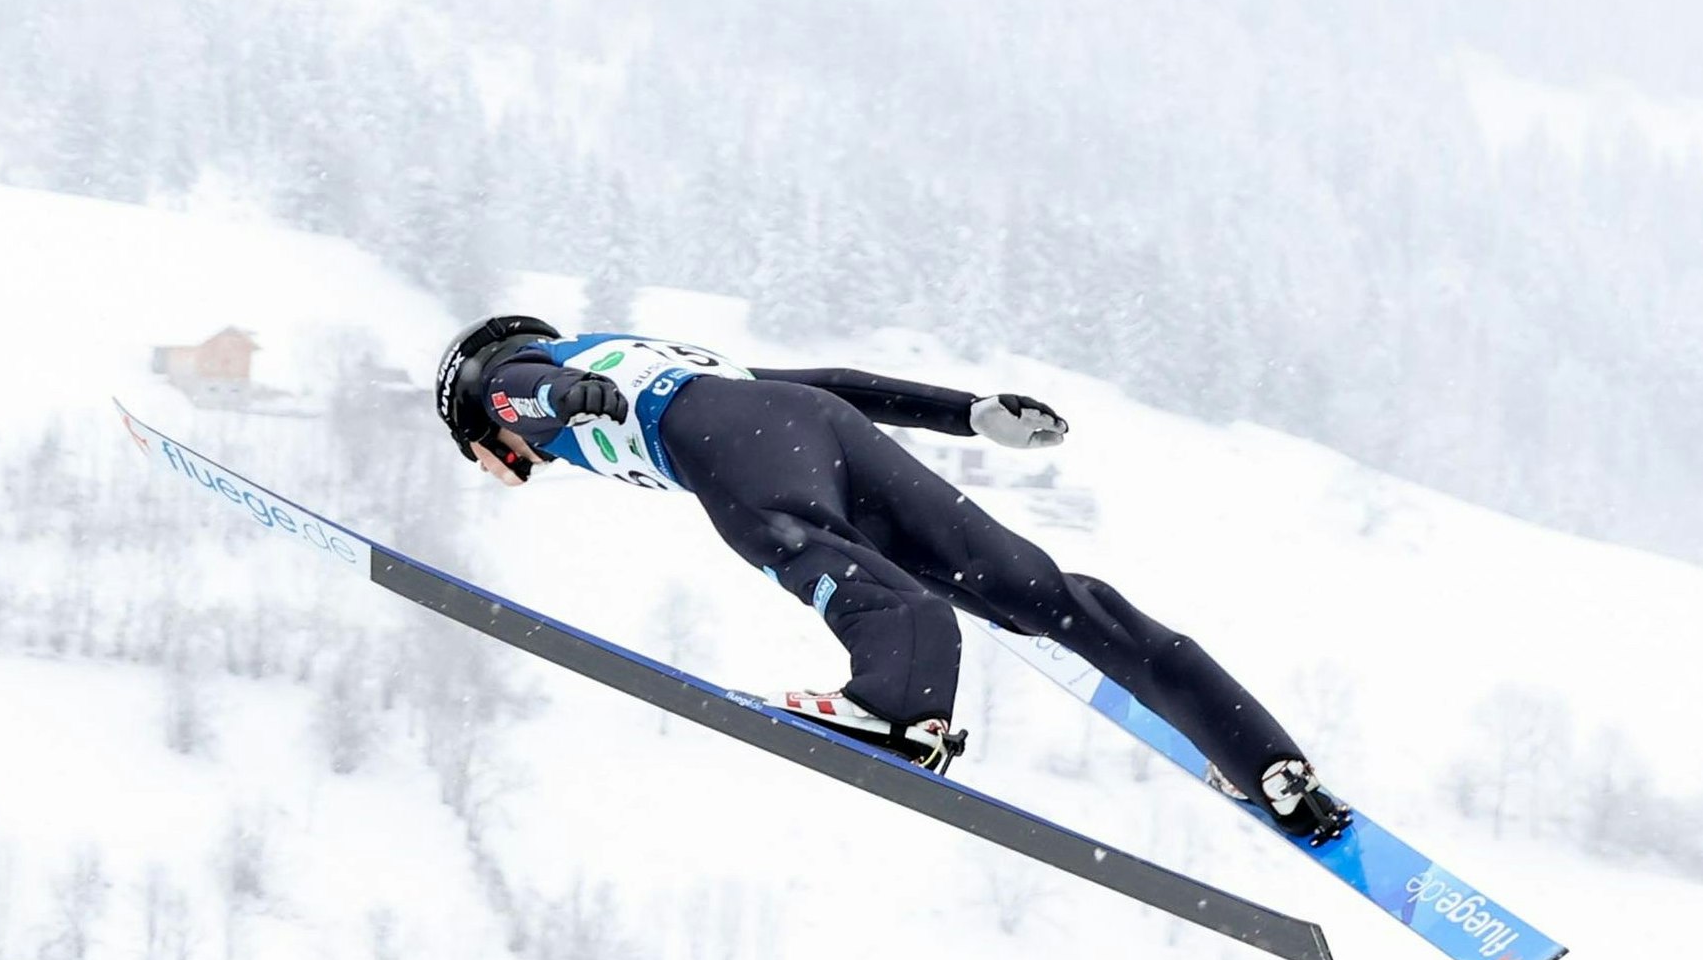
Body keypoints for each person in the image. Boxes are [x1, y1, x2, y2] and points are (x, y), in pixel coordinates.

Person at [432, 315, 1352, 842]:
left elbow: (523, 388)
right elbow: (826, 381)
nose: (497, 464)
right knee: (1045, 595)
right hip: (812, 422)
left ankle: (905, 706)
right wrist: (967, 413)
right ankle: (1265, 761)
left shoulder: (521, 384)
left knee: (807, 549)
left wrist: (555, 400)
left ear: (473, 417)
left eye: (477, 450)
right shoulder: (630, 353)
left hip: (723, 441)